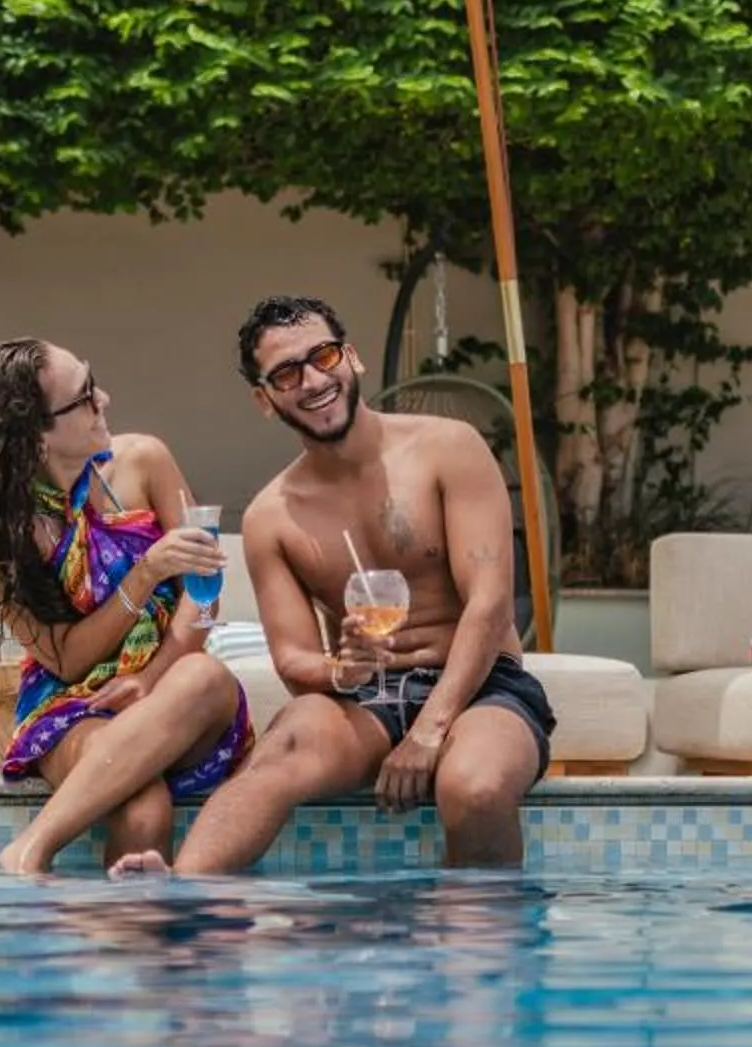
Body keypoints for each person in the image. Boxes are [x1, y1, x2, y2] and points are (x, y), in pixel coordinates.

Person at [114, 296, 554, 876]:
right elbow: (295, 660)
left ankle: (475, 952)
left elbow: (490, 603)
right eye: (287, 373)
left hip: (479, 686)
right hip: (365, 699)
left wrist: (428, 732)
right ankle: (180, 895)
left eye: (323, 356)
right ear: (264, 399)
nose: (313, 380)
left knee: (473, 787)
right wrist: (341, 671)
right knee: (281, 752)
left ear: (353, 358)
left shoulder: (449, 448)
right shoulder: (272, 516)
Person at [0, 338, 250, 875]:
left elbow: (202, 597)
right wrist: (144, 574)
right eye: (85, 397)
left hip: (175, 693)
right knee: (142, 811)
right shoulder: (0, 532)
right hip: (72, 704)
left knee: (205, 677)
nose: (105, 400)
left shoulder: (144, 462)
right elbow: (65, 661)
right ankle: (124, 945)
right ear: (37, 435)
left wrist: (152, 678)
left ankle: (32, 847)